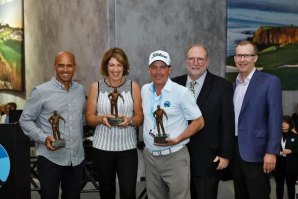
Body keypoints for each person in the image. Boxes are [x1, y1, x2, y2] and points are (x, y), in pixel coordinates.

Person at [19, 51, 86, 199]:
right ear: (54, 67)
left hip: (76, 159)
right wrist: (44, 137)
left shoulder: (80, 90)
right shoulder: (41, 91)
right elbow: (25, 120)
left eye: (69, 66)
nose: (65, 70)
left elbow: (82, 119)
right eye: (61, 65)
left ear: (75, 67)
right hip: (50, 159)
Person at [172, 44, 235, 199]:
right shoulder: (173, 84)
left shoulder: (222, 86)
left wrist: (225, 154)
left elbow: (228, 122)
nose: (196, 63)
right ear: (186, 61)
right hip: (176, 157)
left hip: (208, 158)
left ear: (207, 62)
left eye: (200, 59)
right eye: (192, 59)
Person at [142, 50, 205, 199]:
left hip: (175, 157)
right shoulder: (145, 90)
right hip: (150, 157)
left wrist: (179, 138)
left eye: (162, 67)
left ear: (170, 69)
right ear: (148, 69)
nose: (158, 71)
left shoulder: (181, 92)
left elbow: (199, 121)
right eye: (154, 67)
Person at [86, 47, 143, 199]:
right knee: (107, 193)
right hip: (102, 149)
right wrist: (101, 119)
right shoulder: (95, 87)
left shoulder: (134, 87)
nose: (115, 69)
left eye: (119, 65)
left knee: (129, 193)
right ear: (106, 66)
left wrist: (130, 120)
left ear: (124, 67)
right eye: (111, 65)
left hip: (127, 149)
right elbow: (89, 117)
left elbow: (140, 117)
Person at [231, 40, 283, 199]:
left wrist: (271, 152)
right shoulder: (233, 85)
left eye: (247, 55)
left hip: (257, 153)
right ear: (234, 59)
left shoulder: (270, 82)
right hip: (236, 153)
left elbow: (275, 118)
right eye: (239, 55)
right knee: (240, 195)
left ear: (255, 58)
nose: (242, 59)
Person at [274, 116, 298, 199]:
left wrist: (291, 151)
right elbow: (271, 147)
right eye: (282, 122)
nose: (283, 124)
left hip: (291, 165)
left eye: (286, 122)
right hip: (279, 165)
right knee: (279, 186)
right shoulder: (275, 135)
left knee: (291, 187)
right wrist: (277, 152)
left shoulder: (295, 136)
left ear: (290, 124)